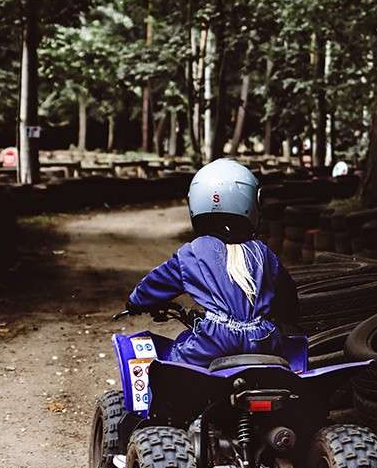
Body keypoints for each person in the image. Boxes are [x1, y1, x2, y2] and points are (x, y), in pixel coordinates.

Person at [126, 158, 299, 368]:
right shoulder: (263, 253)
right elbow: (287, 295)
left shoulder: (193, 251)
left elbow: (156, 283)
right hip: (264, 340)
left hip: (213, 342)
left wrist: (135, 302)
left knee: (167, 373)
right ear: (252, 202)